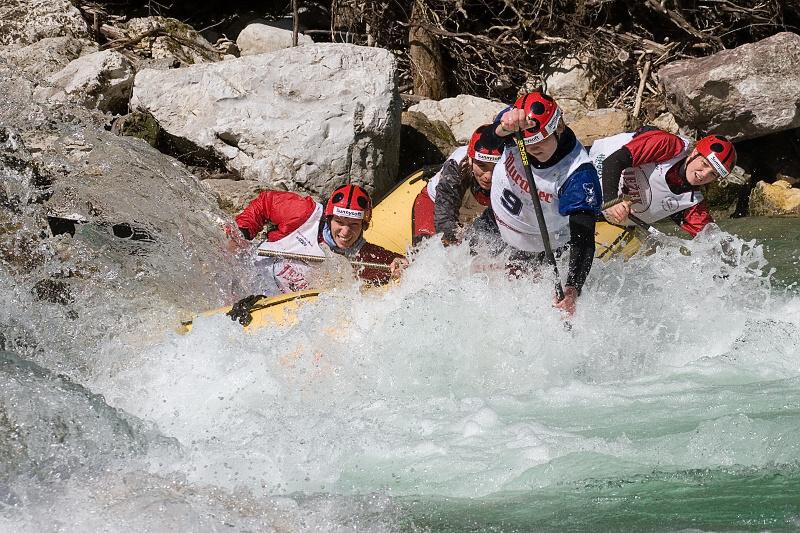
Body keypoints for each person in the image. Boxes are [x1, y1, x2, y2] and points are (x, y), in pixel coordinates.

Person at [475, 91, 602, 315]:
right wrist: (502, 129)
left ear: (558, 128)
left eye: (540, 141)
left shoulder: (578, 175)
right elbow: (485, 143)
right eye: (527, 142)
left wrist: (573, 288)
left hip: (539, 246)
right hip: (494, 221)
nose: (533, 149)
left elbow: (583, 239)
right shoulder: (517, 121)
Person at [235, 184, 409, 294]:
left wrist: (399, 262)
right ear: (329, 217)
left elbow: (396, 263)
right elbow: (265, 202)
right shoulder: (303, 212)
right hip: (251, 275)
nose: (345, 232)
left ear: (364, 225)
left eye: (354, 225)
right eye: (339, 222)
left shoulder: (363, 255)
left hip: (279, 305)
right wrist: (243, 232)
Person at [589, 127, 737, 236]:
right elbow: (613, 162)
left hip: (601, 217)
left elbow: (710, 239)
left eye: (713, 174)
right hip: (588, 169)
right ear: (694, 153)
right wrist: (611, 201)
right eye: (704, 164)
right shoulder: (669, 146)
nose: (703, 175)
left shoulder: (692, 203)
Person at [412, 124, 504, 245]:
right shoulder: (456, 166)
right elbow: (445, 212)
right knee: (431, 246)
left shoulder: (512, 169)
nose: (488, 176)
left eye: (495, 167)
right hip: (434, 204)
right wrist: (449, 238)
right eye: (482, 166)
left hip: (475, 213)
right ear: (470, 160)